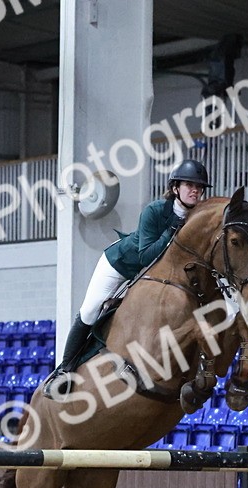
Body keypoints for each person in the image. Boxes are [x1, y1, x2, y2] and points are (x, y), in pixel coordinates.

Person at [44, 158, 211, 396]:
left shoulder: (196, 218)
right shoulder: (155, 211)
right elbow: (145, 257)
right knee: (90, 311)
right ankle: (64, 371)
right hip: (122, 264)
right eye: (189, 185)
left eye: (199, 187)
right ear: (175, 188)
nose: (195, 190)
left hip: (152, 278)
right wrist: (172, 231)